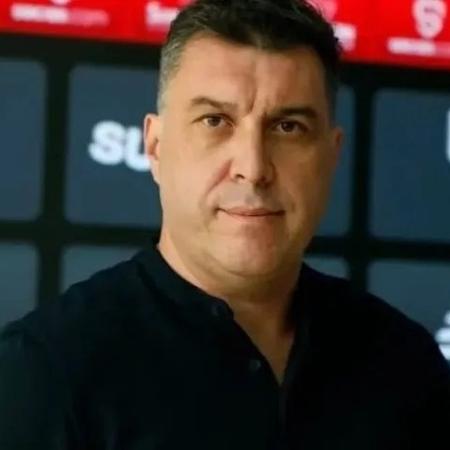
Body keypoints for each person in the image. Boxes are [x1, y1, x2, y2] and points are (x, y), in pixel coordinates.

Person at [0, 0, 449, 448]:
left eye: (288, 127)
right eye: (215, 121)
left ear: (331, 156)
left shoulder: (405, 362)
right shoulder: (43, 374)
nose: (253, 168)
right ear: (155, 148)